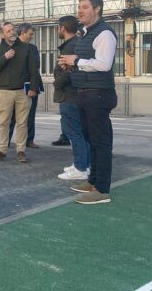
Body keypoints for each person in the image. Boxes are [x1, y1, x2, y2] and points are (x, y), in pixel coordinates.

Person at [58, 0, 117, 204]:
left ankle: (101, 190)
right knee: (92, 140)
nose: (80, 11)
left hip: (98, 94)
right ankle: (93, 181)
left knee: (101, 142)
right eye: (79, 7)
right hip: (85, 93)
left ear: (97, 9)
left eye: (84, 7)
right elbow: (88, 61)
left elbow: (104, 64)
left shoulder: (105, 33)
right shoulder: (86, 32)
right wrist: (72, 64)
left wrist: (77, 60)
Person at [0, 22, 40, 163]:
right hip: (4, 91)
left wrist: (33, 88)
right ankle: (1, 150)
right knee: (3, 122)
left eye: (13, 30)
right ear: (2, 34)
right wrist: (5, 57)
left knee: (22, 123)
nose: (12, 32)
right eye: (8, 31)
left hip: (23, 91)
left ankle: (21, 151)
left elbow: (33, 70)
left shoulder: (26, 48)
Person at [53, 15, 91, 180]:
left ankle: (81, 168)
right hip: (76, 94)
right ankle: (82, 164)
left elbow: (69, 72)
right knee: (80, 132)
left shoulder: (70, 46)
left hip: (69, 95)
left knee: (74, 132)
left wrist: (57, 83)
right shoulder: (77, 43)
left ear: (62, 28)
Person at [8, 23, 43, 148]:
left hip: (31, 84)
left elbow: (36, 65)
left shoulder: (33, 48)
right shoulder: (12, 46)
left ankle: (29, 139)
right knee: (11, 114)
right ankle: (5, 141)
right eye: (30, 34)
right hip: (16, 85)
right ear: (22, 33)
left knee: (30, 113)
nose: (31, 37)